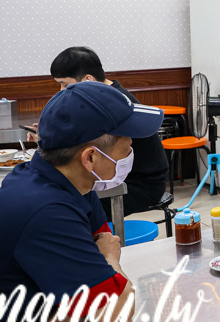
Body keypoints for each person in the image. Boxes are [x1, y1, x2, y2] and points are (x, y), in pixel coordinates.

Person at [0, 81, 157, 322]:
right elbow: (117, 312)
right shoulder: (46, 210)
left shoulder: (64, 180)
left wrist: (71, 310)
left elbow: (95, 241)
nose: (130, 153)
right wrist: (110, 259)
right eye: (127, 147)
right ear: (91, 158)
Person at [43, 47, 168, 217]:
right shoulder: (104, 98)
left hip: (141, 183)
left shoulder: (110, 105)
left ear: (88, 79)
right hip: (122, 177)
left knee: (75, 209)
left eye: (65, 84)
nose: (62, 91)